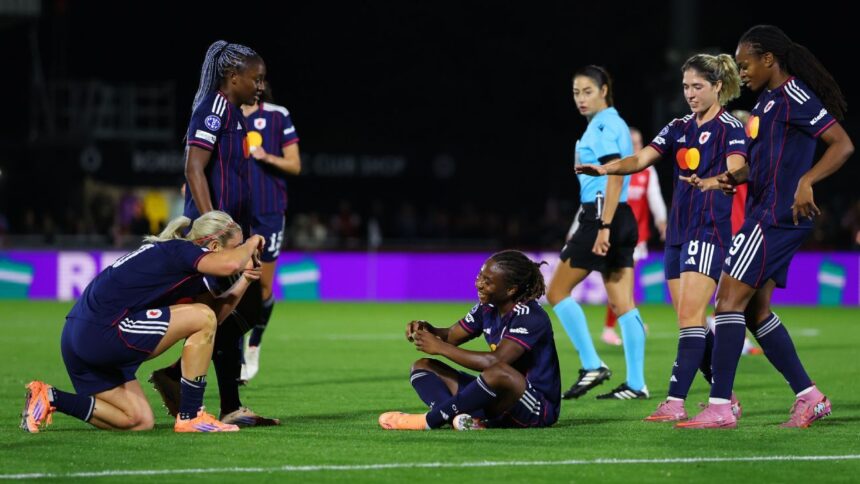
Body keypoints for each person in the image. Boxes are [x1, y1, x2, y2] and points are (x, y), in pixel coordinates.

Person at [681, 25, 854, 429]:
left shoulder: (795, 97)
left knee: (727, 302)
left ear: (768, 59)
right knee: (756, 312)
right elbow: (762, 165)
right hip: (764, 213)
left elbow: (842, 144)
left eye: (745, 65)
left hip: (773, 218)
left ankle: (721, 407)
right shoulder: (766, 105)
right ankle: (810, 397)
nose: (741, 73)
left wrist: (807, 181)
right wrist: (727, 179)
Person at [578, 53, 748, 421]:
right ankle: (725, 395)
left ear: (718, 86)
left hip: (708, 229)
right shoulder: (678, 126)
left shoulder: (730, 127)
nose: (690, 93)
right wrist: (604, 167)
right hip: (677, 234)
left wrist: (722, 180)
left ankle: (676, 401)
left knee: (690, 317)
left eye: (698, 86)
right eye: (686, 86)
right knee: (689, 321)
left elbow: (738, 168)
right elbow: (640, 160)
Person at [21, 211, 264, 433]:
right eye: (236, 247)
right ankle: (191, 416)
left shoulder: (179, 261)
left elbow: (213, 319)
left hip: (78, 336)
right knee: (202, 315)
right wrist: (253, 242)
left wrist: (245, 280)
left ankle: (49, 397)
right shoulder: (183, 250)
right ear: (213, 246)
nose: (242, 253)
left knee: (138, 420)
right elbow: (228, 270)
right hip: (104, 331)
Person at [149, 40, 279, 427]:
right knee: (229, 309)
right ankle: (207, 395)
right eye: (255, 79)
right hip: (216, 239)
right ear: (232, 76)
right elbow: (194, 168)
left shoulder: (235, 114)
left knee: (244, 308)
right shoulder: (214, 109)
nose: (260, 86)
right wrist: (215, 229)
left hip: (235, 236)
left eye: (263, 80)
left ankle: (221, 401)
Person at [549, 65, 648, 401]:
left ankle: (592, 364)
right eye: (576, 92)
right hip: (621, 216)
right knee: (623, 304)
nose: (581, 98)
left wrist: (602, 226)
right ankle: (636, 383)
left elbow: (616, 173)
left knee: (557, 292)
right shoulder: (614, 123)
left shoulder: (602, 126)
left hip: (601, 217)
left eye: (587, 91)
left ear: (604, 90)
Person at [378, 250, 560, 430]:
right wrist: (428, 329)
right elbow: (451, 335)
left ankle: (429, 421)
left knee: (499, 371)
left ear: (510, 290)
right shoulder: (487, 307)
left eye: (488, 282)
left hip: (535, 407)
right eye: (480, 276)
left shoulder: (530, 316)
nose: (479, 284)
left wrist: (440, 347)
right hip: (497, 399)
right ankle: (461, 420)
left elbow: (495, 361)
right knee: (422, 366)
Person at [239, 81, 302, 381]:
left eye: (261, 77)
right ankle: (236, 356)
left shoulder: (278, 115)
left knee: (263, 289)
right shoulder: (225, 113)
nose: (257, 82)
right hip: (235, 213)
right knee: (235, 284)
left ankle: (255, 343)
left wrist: (267, 156)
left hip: (269, 211)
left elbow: (295, 164)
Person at [599, 127, 668, 346]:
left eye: (639, 142)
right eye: (632, 142)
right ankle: (619, 325)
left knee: (625, 283)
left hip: (637, 237)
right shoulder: (615, 169)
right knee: (620, 282)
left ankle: (621, 325)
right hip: (613, 235)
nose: (637, 146)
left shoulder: (647, 171)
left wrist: (662, 221)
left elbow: (655, 198)